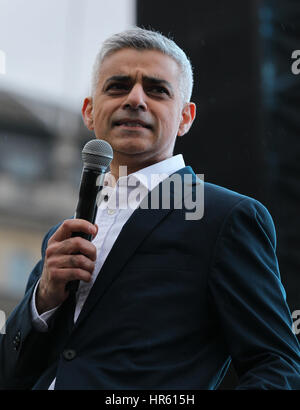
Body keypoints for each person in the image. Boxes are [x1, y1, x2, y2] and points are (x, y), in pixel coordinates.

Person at [0, 27, 300, 390]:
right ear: (89, 112)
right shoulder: (63, 235)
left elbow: (277, 364)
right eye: (117, 86)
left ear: (186, 117)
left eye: (157, 90)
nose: (135, 99)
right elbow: (12, 373)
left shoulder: (226, 217)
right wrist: (43, 298)